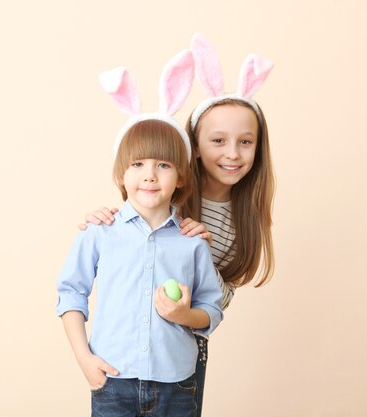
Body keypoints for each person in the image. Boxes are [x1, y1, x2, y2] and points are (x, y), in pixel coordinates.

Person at [79, 33, 276, 417]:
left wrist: (198, 253)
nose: (232, 154)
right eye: (218, 140)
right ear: (195, 146)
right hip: (124, 352)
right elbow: (131, 223)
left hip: (181, 343)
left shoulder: (243, 216)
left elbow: (217, 300)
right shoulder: (170, 189)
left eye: (246, 142)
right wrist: (104, 217)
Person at [57, 50, 223, 417]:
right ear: (121, 174)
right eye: (138, 164)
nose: (149, 174)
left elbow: (211, 308)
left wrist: (185, 316)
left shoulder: (192, 240)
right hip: (112, 380)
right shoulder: (99, 231)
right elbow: (71, 292)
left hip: (178, 383)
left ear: (180, 177)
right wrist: (85, 359)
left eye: (163, 164)